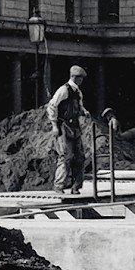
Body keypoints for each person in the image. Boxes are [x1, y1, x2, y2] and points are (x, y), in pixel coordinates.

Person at [46, 65, 89, 194]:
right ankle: (58, 186)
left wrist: (84, 112)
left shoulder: (78, 92)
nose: (81, 81)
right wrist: (54, 125)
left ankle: (76, 187)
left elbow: (79, 107)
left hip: (75, 127)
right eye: (80, 78)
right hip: (63, 127)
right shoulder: (63, 90)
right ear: (76, 78)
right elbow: (52, 106)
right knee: (66, 156)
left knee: (80, 157)